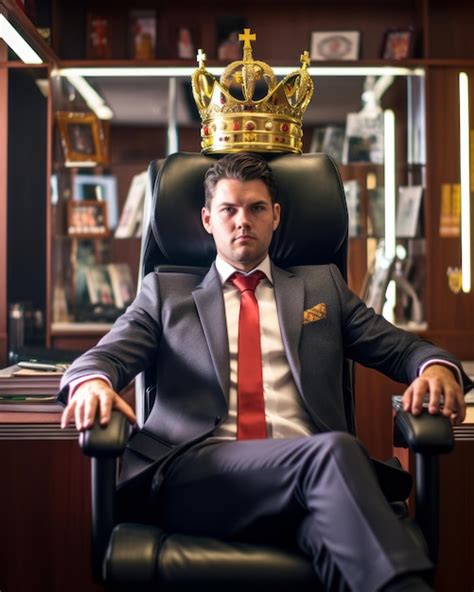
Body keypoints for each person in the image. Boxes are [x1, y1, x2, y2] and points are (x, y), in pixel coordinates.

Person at [59, 152, 470, 592]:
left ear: (275, 216)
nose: (242, 221)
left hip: (310, 480)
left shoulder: (322, 288)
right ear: (206, 219)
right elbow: (105, 356)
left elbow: (402, 348)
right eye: (228, 210)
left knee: (334, 537)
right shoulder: (165, 295)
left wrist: (436, 367)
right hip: (200, 476)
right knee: (333, 454)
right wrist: (91, 383)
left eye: (256, 208)